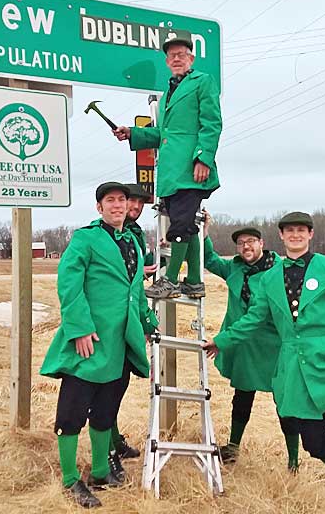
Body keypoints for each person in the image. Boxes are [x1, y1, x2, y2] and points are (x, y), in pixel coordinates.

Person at [203, 212, 325, 514]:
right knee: (314, 442)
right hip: (294, 368)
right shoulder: (269, 279)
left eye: (301, 230)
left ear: (310, 234)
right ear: (281, 236)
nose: (295, 235)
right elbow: (254, 318)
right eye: (289, 230)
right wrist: (222, 340)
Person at [39, 182, 158, 509]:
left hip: (121, 342)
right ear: (99, 207)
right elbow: (69, 284)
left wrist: (148, 323)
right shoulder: (85, 239)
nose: (118, 205)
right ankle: (69, 479)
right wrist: (79, 328)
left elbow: (135, 292)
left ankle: (101, 472)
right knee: (72, 411)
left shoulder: (133, 242)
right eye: (110, 200)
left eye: (122, 200)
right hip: (89, 340)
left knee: (106, 409)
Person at [113, 29, 222, 300]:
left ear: (191, 58)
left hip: (191, 169)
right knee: (187, 224)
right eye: (172, 55)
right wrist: (133, 133)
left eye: (181, 54)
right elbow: (163, 134)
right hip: (171, 174)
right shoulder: (167, 93)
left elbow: (212, 123)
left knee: (181, 225)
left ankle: (170, 280)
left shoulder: (203, 81)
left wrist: (203, 158)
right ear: (166, 61)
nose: (176, 59)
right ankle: (194, 281)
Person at [201, 212, 300, 471]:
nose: (246, 247)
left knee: (284, 401)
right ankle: (233, 448)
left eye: (251, 242)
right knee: (242, 397)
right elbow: (209, 259)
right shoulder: (235, 268)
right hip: (245, 347)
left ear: (262, 244)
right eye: (241, 243)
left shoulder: (278, 271)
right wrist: (205, 232)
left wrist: (222, 340)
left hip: (272, 346)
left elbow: (260, 315)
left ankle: (293, 461)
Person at [103, 183, 157, 472]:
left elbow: (137, 273)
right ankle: (107, 450)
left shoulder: (135, 234)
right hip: (107, 322)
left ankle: (114, 439)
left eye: (139, 204)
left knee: (118, 385)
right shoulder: (104, 234)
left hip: (129, 319)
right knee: (106, 388)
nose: (134, 208)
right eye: (131, 202)